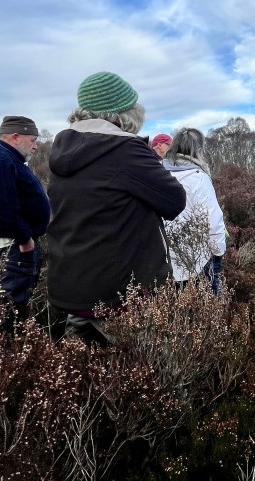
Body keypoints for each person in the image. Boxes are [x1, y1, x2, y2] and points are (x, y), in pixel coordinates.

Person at [46, 72, 186, 346]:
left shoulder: (62, 148)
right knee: (143, 364)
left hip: (72, 285)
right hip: (119, 291)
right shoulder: (125, 149)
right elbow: (174, 200)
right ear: (125, 114)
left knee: (81, 365)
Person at [0, 115, 51, 331]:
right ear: (15, 137)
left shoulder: (6, 159)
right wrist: (25, 239)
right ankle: (1, 347)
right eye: (32, 140)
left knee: (12, 307)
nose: (35, 146)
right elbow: (0, 207)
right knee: (8, 310)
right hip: (11, 249)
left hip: (12, 247)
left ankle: (5, 346)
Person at [161, 128, 227, 294]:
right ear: (199, 150)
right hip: (195, 260)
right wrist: (218, 253)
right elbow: (212, 221)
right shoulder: (199, 178)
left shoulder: (156, 173)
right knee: (208, 301)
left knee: (166, 304)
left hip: (160, 260)